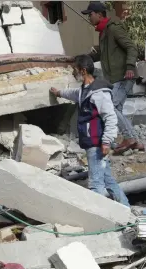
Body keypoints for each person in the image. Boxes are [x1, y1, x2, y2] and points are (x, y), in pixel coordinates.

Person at [50, 54, 130, 208]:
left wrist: (107, 141)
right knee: (107, 179)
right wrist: (59, 93)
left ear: (83, 70)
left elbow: (111, 118)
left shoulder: (99, 93)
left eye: (75, 69)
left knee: (95, 184)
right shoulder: (85, 90)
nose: (74, 73)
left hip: (97, 143)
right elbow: (74, 94)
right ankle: (126, 209)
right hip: (92, 142)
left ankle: (101, 217)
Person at [82, 1, 145, 155]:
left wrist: (130, 66)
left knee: (111, 106)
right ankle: (134, 142)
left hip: (124, 75)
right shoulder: (104, 32)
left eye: (90, 14)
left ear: (99, 14)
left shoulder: (113, 28)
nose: (89, 18)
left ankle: (130, 138)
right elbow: (103, 54)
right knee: (117, 109)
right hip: (116, 77)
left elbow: (131, 47)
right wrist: (84, 58)